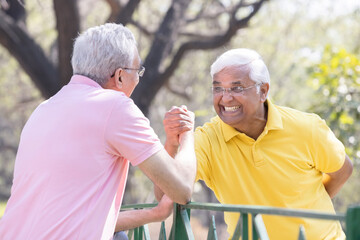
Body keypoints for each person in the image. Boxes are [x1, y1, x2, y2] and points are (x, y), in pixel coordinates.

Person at [0, 23, 196, 240]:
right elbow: (182, 189)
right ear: (120, 76)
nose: (138, 79)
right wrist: (187, 132)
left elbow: (68, 218)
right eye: (137, 71)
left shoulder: (43, 109)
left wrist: (152, 214)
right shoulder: (115, 107)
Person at [163, 48, 353, 240]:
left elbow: (342, 170)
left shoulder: (307, 127)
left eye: (237, 88)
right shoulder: (208, 139)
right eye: (218, 88)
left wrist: (303, 210)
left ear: (263, 91)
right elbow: (166, 193)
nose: (226, 98)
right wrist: (172, 142)